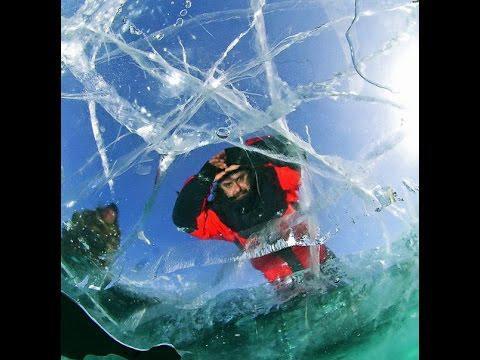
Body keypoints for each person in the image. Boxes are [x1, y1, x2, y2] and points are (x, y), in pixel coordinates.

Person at [172, 135, 333, 283]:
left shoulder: (275, 179)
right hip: (287, 288)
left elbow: (293, 151)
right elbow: (184, 220)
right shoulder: (221, 217)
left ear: (251, 172)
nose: (238, 188)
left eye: (240, 178)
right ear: (219, 188)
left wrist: (247, 154)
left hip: (327, 267)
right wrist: (204, 178)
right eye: (228, 184)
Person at [62, 203, 121, 270]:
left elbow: (110, 252)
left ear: (114, 219)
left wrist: (100, 245)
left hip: (83, 263)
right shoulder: (89, 215)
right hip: (68, 246)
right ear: (103, 210)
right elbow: (75, 220)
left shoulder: (113, 234)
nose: (107, 215)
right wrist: (79, 229)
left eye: (111, 215)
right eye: (107, 211)